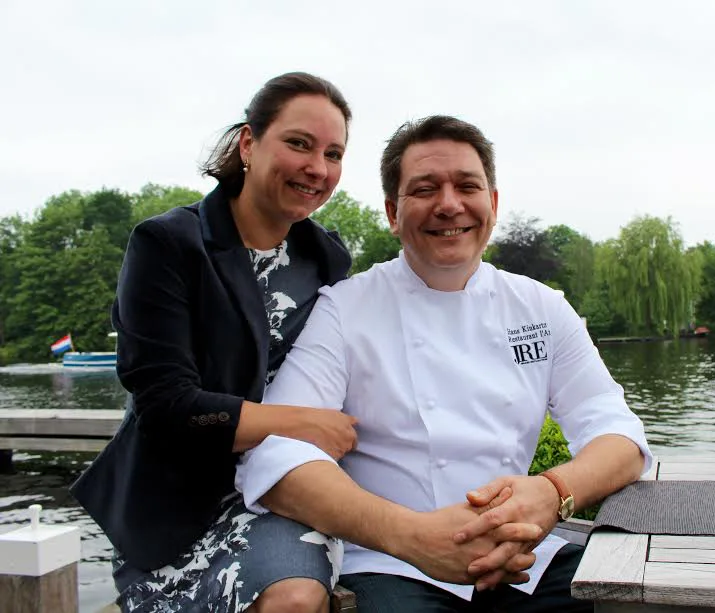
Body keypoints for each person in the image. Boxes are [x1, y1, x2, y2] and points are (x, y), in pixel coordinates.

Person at [236, 115, 654, 611]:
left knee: (645, 596)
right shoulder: (344, 310)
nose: (450, 204)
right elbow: (280, 456)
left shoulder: (541, 308)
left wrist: (551, 491)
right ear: (393, 212)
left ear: (493, 204)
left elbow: (619, 436)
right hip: (392, 565)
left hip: (526, 556)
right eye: (426, 189)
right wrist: (412, 536)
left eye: (467, 186)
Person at [71, 72, 362, 613]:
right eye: (298, 143)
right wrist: (297, 421)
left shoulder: (327, 259)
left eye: (333, 153)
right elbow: (164, 406)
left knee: (295, 599)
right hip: (173, 509)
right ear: (248, 144)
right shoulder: (167, 245)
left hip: (282, 491)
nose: (317, 168)